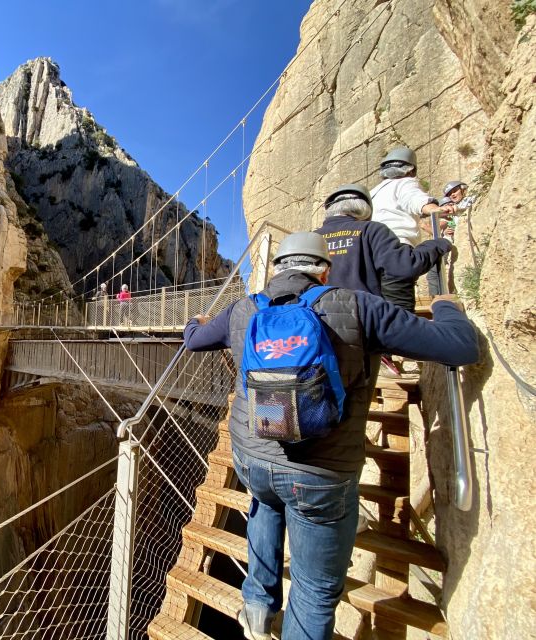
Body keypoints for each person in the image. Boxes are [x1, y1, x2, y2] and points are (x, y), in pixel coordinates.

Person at [182, 232, 478, 640]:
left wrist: (192, 322)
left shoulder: (242, 310)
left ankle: (256, 609)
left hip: (253, 457)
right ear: (324, 270)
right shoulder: (358, 306)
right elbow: (459, 346)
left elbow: (195, 341)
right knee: (315, 589)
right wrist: (446, 307)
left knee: (265, 505)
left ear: (277, 268)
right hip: (320, 475)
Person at [315, 183, 452, 297]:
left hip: (316, 320)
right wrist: (438, 244)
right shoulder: (371, 230)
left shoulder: (310, 238)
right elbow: (404, 266)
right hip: (363, 316)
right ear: (365, 208)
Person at [370, 147, 455, 312]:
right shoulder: (405, 182)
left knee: (378, 311)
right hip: (395, 249)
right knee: (399, 313)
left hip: (371, 253)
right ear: (411, 169)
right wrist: (431, 208)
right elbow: (413, 198)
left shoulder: (373, 192)